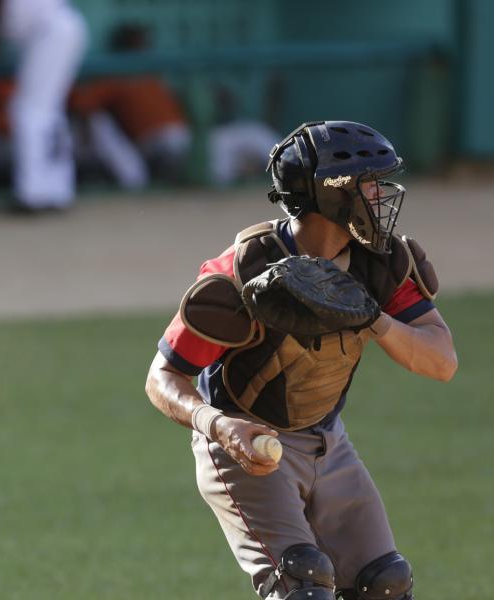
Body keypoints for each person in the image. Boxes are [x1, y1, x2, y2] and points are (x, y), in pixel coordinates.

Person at [144, 121, 457, 599]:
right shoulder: (243, 272)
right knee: (302, 582)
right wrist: (217, 426)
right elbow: (162, 377)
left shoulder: (382, 262)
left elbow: (441, 361)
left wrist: (373, 319)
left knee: (384, 584)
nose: (381, 196)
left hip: (329, 441)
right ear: (332, 197)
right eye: (369, 185)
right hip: (248, 446)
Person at [69, 23, 192, 189]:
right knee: (99, 122)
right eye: (139, 43)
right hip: (152, 144)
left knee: (231, 142)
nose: (145, 47)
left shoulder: (153, 74)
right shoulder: (116, 72)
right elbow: (82, 105)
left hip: (183, 137)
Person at [0, 0, 87, 212]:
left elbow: (15, 25)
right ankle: (56, 190)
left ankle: (32, 193)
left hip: (51, 31)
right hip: (66, 26)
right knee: (49, 111)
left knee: (29, 111)